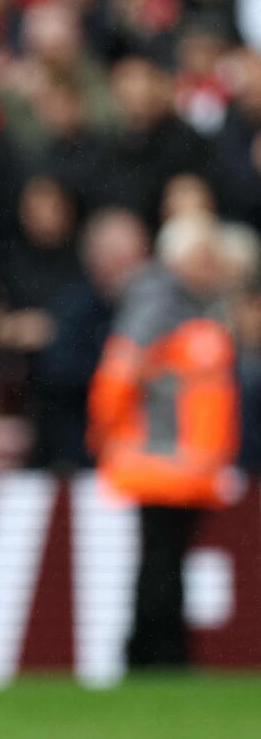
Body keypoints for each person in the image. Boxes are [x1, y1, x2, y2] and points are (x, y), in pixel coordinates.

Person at [89, 212, 240, 670]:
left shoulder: (202, 304)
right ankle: (156, 654)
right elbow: (118, 377)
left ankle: (157, 650)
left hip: (191, 464)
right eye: (202, 256)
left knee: (168, 560)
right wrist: (109, 434)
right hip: (158, 460)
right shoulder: (158, 305)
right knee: (161, 561)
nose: (211, 265)